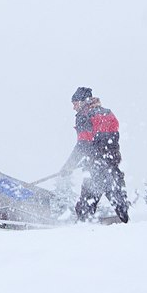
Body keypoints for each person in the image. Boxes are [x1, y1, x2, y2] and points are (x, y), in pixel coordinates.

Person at [60, 87, 129, 223]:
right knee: (121, 206)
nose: (74, 108)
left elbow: (83, 145)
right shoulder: (108, 113)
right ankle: (133, 229)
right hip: (111, 166)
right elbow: (109, 141)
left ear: (82, 102)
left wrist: (69, 166)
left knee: (85, 208)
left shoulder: (84, 116)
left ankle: (83, 234)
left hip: (95, 170)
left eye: (74, 104)